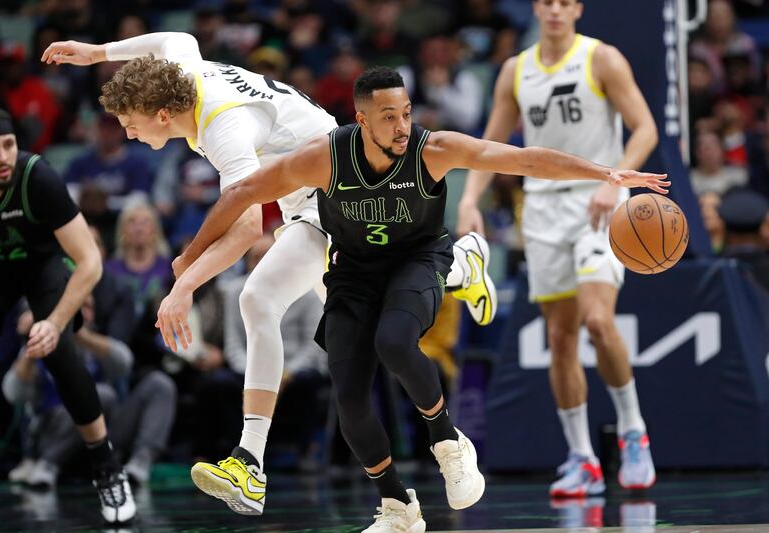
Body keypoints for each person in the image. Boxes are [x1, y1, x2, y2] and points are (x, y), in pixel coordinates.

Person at [165, 67, 669, 530]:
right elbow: (243, 192)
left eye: (405, 113)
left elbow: (521, 159)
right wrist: (190, 258)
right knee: (350, 400)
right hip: (353, 272)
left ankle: (449, 442)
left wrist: (605, 173)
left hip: (418, 260)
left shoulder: (432, 150)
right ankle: (397, 507)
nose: (402, 126)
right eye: (388, 117)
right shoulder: (325, 158)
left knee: (396, 342)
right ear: (361, 120)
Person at [41, 31, 499, 516]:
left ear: (160, 114)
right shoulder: (182, 73)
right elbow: (177, 37)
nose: (129, 134)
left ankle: (459, 269)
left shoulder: (224, 129)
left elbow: (244, 229)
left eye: (130, 125)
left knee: (332, 320)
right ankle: (253, 465)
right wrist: (97, 54)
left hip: (341, 196)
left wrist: (184, 285)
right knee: (270, 307)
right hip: (310, 199)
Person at [457, 0, 659, 497]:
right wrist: (468, 200)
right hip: (543, 209)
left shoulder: (602, 58)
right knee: (561, 337)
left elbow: (646, 128)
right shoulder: (515, 70)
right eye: (547, 2)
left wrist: (615, 178)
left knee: (597, 320)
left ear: (577, 9)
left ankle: (634, 431)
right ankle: (583, 459)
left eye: (564, 3)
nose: (554, 10)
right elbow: (491, 145)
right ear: (536, 9)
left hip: (600, 204)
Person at [0, 107, 135, 523]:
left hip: (40, 267)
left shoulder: (36, 177)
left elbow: (90, 260)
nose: (4, 156)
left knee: (60, 353)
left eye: (8, 144)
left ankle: (106, 467)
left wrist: (55, 321)